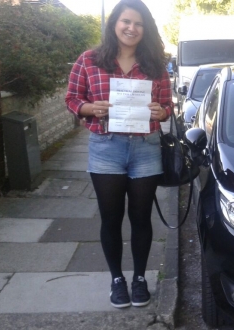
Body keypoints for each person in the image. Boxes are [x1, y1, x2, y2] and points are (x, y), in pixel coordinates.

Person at [65, 0, 173, 308]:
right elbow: (72, 98)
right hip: (106, 147)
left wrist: (160, 111)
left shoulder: (155, 63)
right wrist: (88, 108)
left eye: (138, 23)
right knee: (111, 219)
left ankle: (139, 278)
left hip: (145, 148)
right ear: (114, 24)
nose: (131, 28)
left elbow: (167, 107)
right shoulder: (89, 60)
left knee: (141, 218)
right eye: (126, 21)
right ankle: (117, 279)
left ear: (145, 28)